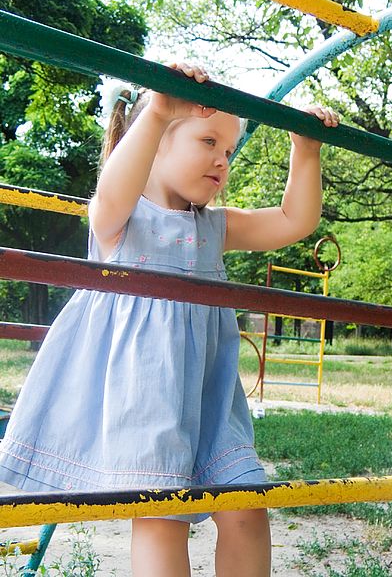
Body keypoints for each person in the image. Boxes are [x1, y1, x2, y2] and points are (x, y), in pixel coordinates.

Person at [0, 61, 339, 576]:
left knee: (247, 505)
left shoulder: (216, 227)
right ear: (154, 141)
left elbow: (295, 220)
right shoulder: (123, 220)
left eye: (228, 151)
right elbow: (106, 200)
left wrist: (305, 149)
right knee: (163, 517)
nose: (223, 160)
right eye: (208, 142)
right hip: (146, 392)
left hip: (210, 400)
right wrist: (159, 109)